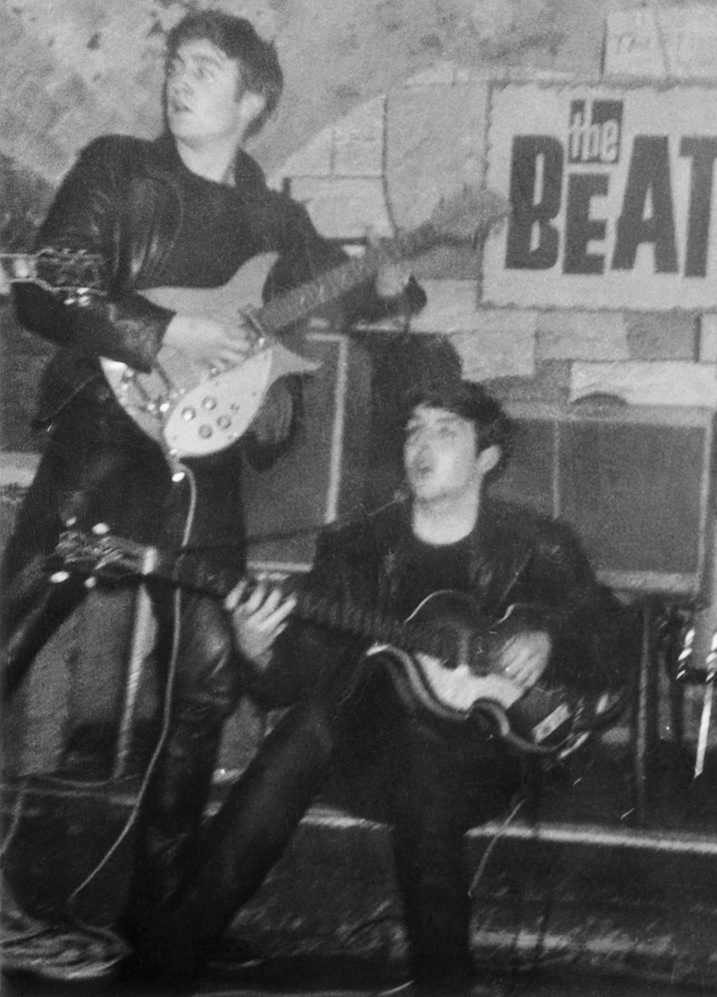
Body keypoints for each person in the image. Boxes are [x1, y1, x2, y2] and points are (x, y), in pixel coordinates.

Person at [1, 5, 422, 960]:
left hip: (204, 466)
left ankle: (158, 920)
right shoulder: (119, 168)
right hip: (107, 438)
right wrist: (164, 332)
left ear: (253, 100)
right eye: (175, 63)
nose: (177, 79)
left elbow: (336, 294)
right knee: (9, 641)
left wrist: (393, 279)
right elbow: (46, 285)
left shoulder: (277, 219)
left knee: (204, 685)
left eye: (201, 68)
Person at [120, 378, 634, 994]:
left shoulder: (537, 543)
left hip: (485, 757)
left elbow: (612, 636)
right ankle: (170, 961)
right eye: (414, 429)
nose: (422, 443)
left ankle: (444, 983)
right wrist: (257, 644)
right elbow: (298, 678)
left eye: (445, 432)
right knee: (304, 728)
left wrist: (548, 636)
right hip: (365, 753)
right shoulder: (357, 544)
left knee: (427, 756)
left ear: (486, 459)